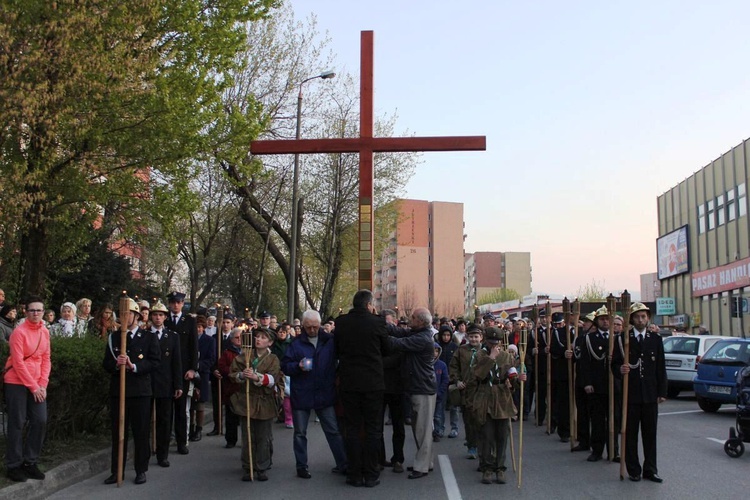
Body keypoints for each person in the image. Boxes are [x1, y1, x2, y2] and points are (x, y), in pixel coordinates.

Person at [281, 310, 348, 479]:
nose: (312, 330)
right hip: (302, 393)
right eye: (308, 327)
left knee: (333, 431)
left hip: (324, 392)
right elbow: (285, 366)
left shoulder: (329, 341)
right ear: (303, 326)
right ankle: (301, 466)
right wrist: (298, 366)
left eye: (315, 327)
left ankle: (343, 464)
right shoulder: (296, 343)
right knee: (300, 433)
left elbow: (342, 359)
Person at [334, 289, 390, 487]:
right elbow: (387, 349)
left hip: (349, 382)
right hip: (373, 383)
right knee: (373, 429)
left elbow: (336, 349)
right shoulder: (377, 322)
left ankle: (354, 473)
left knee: (352, 428)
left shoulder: (340, 323)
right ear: (369, 304)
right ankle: (371, 472)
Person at [102, 298, 160, 485]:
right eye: (123, 315)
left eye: (130, 315)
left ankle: (140, 469)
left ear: (137, 316)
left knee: (140, 432)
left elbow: (154, 362)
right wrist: (116, 365)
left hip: (140, 391)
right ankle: (116, 470)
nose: (126, 318)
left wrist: (133, 366)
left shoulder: (149, 337)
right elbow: (106, 364)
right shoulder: (114, 337)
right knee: (118, 432)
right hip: (119, 392)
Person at [612, 302, 667, 483]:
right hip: (631, 394)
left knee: (650, 434)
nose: (641, 319)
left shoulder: (655, 339)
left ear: (648, 318)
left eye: (643, 316)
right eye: (637, 316)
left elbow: (660, 367)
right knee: (630, 433)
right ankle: (633, 469)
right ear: (632, 319)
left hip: (650, 394)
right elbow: (614, 364)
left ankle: (651, 469)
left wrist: (662, 391)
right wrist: (620, 370)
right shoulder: (623, 339)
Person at [3, 296, 51, 482]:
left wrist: (43, 384)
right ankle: (13, 465)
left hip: (37, 384)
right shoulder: (19, 333)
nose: (36, 313)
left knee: (40, 420)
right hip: (16, 382)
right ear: (25, 311)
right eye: (32, 310)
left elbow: (46, 359)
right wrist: (34, 386)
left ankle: (30, 462)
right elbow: (18, 363)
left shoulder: (45, 332)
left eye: (39, 310)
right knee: (17, 422)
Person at [388, 307, 437, 480]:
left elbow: (398, 342)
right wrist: (385, 325)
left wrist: (379, 335)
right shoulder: (419, 334)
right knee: (420, 428)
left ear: (421, 321)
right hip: (419, 387)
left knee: (422, 430)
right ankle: (426, 462)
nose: (410, 319)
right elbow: (401, 332)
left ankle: (422, 466)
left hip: (422, 388)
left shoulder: (422, 339)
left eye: (413, 317)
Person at [229, 327, 281, 482]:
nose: (258, 339)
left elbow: (272, 380)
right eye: (257, 337)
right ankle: (248, 466)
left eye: (263, 337)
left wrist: (256, 376)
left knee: (263, 436)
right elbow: (232, 374)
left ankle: (262, 466)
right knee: (247, 435)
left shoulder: (273, 359)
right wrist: (241, 375)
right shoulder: (244, 356)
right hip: (247, 400)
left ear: (270, 342)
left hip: (264, 401)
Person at [473, 326, 523, 485]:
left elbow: (511, 376)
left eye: (496, 343)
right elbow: (478, 375)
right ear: (485, 340)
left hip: (502, 396)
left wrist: (517, 379)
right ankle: (487, 468)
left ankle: (500, 468)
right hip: (485, 395)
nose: (493, 345)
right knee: (487, 435)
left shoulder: (507, 357)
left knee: (502, 435)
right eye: (490, 342)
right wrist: (491, 358)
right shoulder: (479, 355)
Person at [579, 306, 616, 462]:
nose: (605, 321)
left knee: (614, 420)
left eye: (607, 319)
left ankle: (614, 450)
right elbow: (584, 364)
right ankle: (597, 450)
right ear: (597, 322)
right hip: (597, 385)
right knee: (598, 420)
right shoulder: (590, 339)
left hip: (614, 386)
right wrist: (587, 382)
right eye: (602, 319)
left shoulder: (617, 337)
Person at [149, 300, 182, 467]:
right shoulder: (144, 335)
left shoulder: (172, 337)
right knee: (145, 419)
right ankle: (146, 452)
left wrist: (178, 385)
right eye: (155, 315)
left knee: (165, 420)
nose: (157, 318)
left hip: (166, 383)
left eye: (161, 315)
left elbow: (177, 362)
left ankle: (163, 454)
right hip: (147, 383)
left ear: (165, 318)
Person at [164, 291, 199, 455]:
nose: (175, 305)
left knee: (181, 409)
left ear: (183, 303)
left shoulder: (189, 321)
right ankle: (164, 441)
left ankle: (181, 442)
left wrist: (193, 368)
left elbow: (193, 346)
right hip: (166, 370)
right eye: (173, 302)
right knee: (166, 409)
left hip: (184, 370)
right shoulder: (165, 320)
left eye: (178, 302)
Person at [449, 324, 484, 458]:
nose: (474, 339)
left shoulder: (485, 351)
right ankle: (471, 445)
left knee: (480, 420)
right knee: (469, 420)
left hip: (481, 390)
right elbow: (453, 367)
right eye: (471, 336)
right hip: (466, 390)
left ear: (481, 337)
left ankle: (482, 444)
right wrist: (457, 380)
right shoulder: (461, 350)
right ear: (467, 337)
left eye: (476, 337)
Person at [218, 327, 243, 448]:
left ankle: (246, 439)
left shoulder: (247, 351)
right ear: (232, 339)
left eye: (241, 338)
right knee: (231, 416)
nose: (239, 340)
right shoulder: (227, 352)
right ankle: (231, 440)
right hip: (231, 388)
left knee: (244, 416)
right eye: (236, 338)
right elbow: (222, 367)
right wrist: (234, 372)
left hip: (244, 388)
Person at [191, 315, 214, 442]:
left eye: (200, 327)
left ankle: (199, 429)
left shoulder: (209, 340)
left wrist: (198, 365)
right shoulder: (189, 339)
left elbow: (211, 359)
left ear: (204, 328)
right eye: (196, 327)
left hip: (202, 374)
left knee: (200, 403)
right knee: (190, 403)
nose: (198, 329)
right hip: (189, 374)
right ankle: (190, 427)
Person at [432, 342, 450, 442]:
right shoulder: (425, 364)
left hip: (439, 394)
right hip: (428, 393)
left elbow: (445, 379)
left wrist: (440, 391)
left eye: (436, 351)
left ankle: (437, 432)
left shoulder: (442, 365)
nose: (434, 353)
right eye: (432, 351)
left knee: (437, 415)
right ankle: (427, 432)